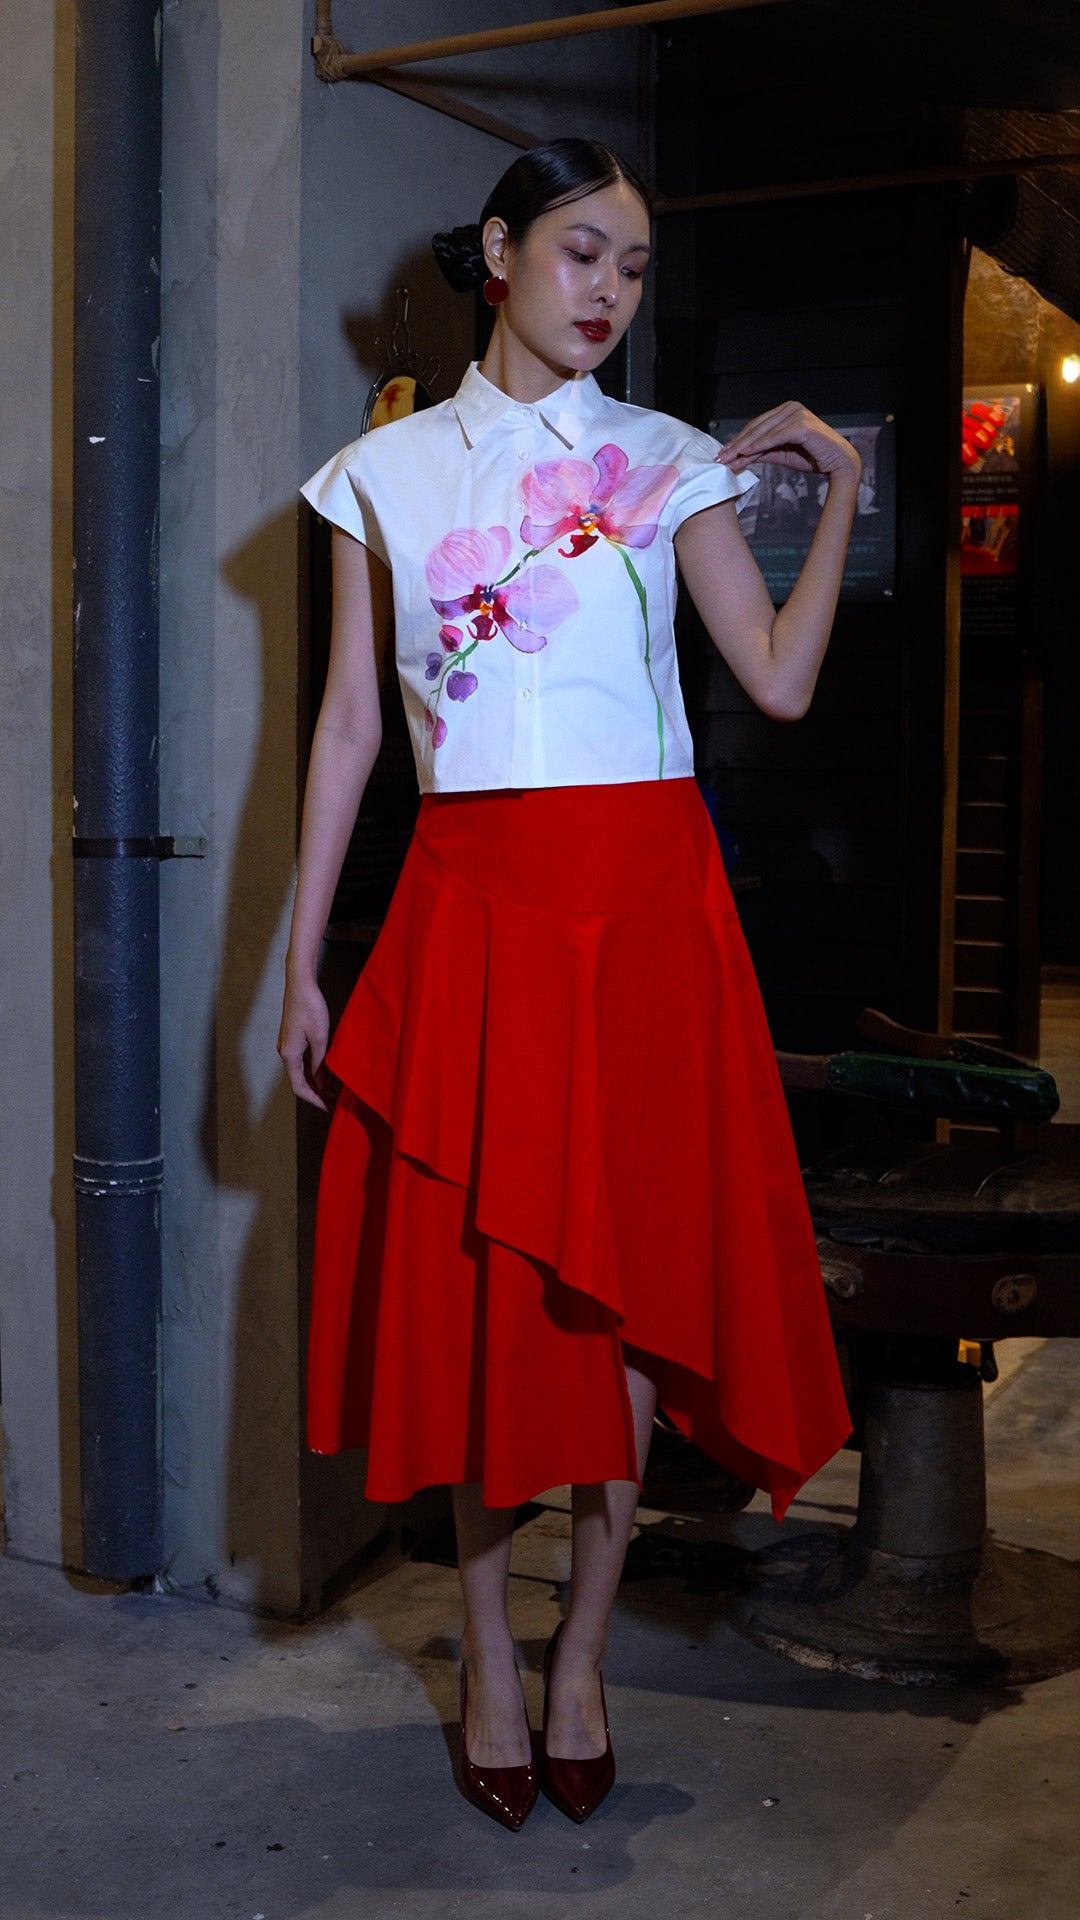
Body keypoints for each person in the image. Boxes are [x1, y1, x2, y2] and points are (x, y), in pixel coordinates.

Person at [279, 138, 859, 1831]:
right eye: (582, 252)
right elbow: (349, 729)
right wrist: (300, 960)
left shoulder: (672, 461)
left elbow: (779, 680)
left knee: (628, 1310)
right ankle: (484, 1651)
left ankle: (582, 1655)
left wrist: (839, 496)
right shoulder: (380, 474)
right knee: (489, 1313)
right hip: (474, 910)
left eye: (635, 266)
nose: (610, 289)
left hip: (651, 915)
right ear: (499, 251)